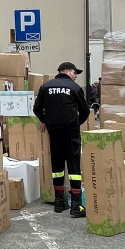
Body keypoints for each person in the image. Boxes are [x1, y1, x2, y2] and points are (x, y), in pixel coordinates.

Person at [32, 62, 90, 217]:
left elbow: (36, 108)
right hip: (70, 131)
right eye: (74, 72)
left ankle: (59, 202)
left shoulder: (46, 87)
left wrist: (44, 120)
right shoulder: (75, 88)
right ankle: (76, 205)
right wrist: (77, 123)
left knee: (57, 165)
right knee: (73, 165)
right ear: (66, 71)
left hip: (54, 130)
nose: (76, 75)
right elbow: (85, 111)